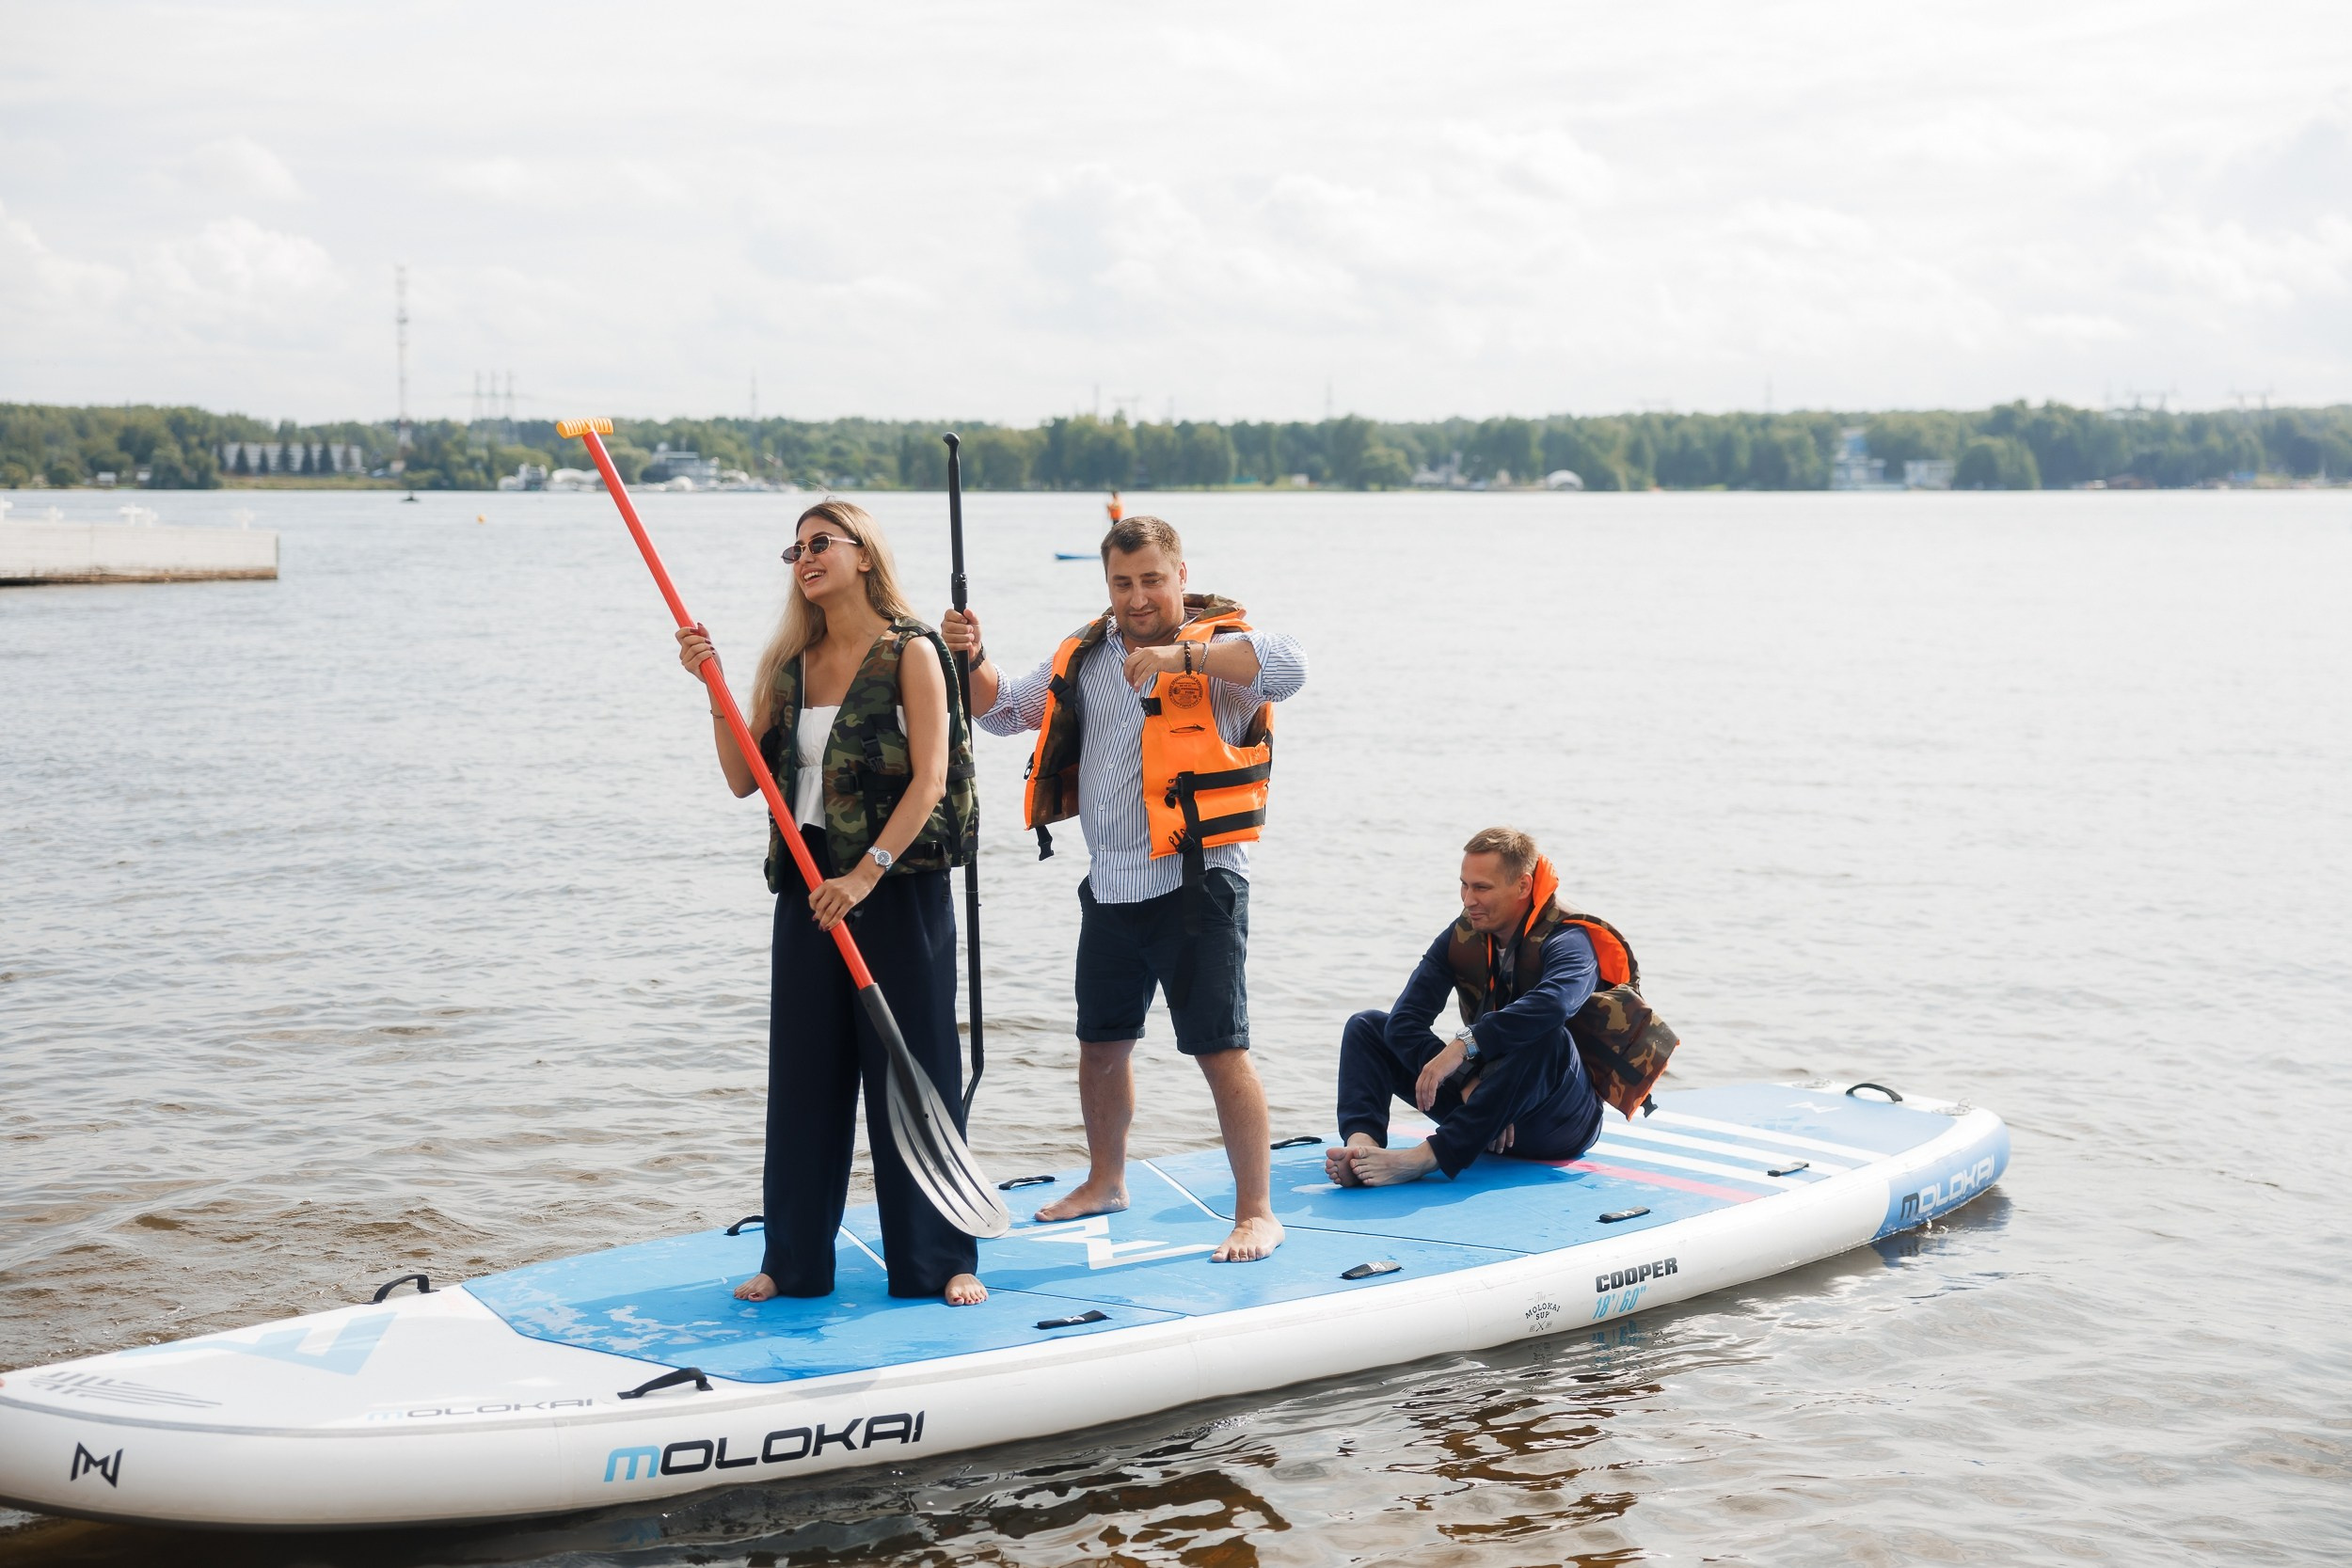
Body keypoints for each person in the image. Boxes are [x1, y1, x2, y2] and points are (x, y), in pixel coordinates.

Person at [942, 515, 1307, 1261]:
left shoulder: (1221, 651)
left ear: (1179, 575)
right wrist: (972, 656)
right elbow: (1003, 709)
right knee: (1100, 1046)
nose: (1137, 598)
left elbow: (1293, 665)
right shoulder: (1087, 654)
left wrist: (1182, 655)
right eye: (1122, 583)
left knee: (1220, 1049)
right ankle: (1106, 1179)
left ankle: (1257, 1211)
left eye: (1150, 580)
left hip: (1199, 884)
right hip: (1110, 886)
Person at [675, 499, 985, 1307]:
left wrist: (866, 874)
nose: (805, 557)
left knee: (915, 1070)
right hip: (809, 888)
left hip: (896, 884)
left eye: (822, 543)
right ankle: (794, 1263)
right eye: (796, 548)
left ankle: (939, 1260)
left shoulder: (912, 651)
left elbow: (931, 779)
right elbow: (746, 778)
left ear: (862, 554)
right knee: (806, 1077)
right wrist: (712, 687)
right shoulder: (793, 662)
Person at [1327, 828, 1608, 1187]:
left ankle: (1425, 1158)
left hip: (1555, 1122)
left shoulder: (1569, 938)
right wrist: (1470, 1081)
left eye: (1482, 888)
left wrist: (1464, 1045)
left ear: (1522, 886)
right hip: (1479, 1109)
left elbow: (1554, 1005)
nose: (1468, 899)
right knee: (1367, 1027)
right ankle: (1361, 1149)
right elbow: (1405, 1022)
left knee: (1549, 1038)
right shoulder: (1463, 934)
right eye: (1464, 885)